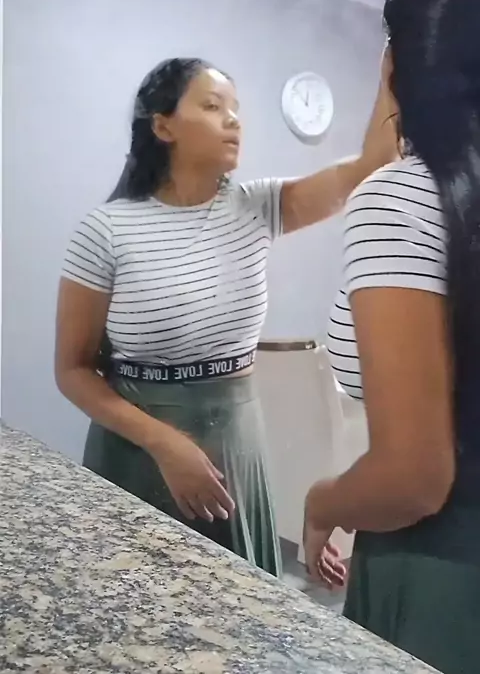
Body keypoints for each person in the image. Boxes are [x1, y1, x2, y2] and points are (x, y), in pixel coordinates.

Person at [55, 56, 394, 577]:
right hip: (136, 446)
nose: (233, 119)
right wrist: (165, 443)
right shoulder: (106, 230)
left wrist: (395, 53)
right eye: (213, 107)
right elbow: (73, 371)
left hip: (236, 440)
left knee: (237, 594)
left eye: (235, 108)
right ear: (163, 126)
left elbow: (373, 165)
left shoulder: (257, 207)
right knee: (135, 595)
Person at [303, 0, 480, 674]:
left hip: (446, 574)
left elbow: (414, 476)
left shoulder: (402, 201)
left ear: (397, 64)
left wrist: (324, 501)